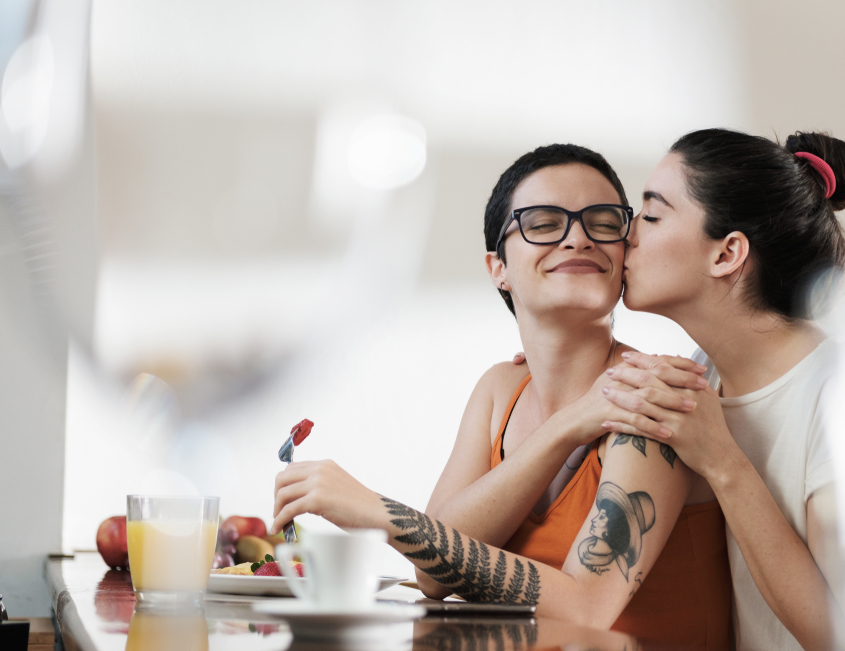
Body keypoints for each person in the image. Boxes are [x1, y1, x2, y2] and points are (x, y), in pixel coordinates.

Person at [271, 143, 732, 648]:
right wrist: (565, 428)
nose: (577, 237)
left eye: (602, 221)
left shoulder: (651, 394)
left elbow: (586, 607)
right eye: (542, 222)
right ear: (499, 268)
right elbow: (434, 577)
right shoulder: (499, 392)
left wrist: (378, 512)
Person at [595, 129, 845, 650]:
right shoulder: (705, 372)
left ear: (727, 254)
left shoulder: (841, 397)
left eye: (651, 216)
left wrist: (723, 461)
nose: (627, 235)